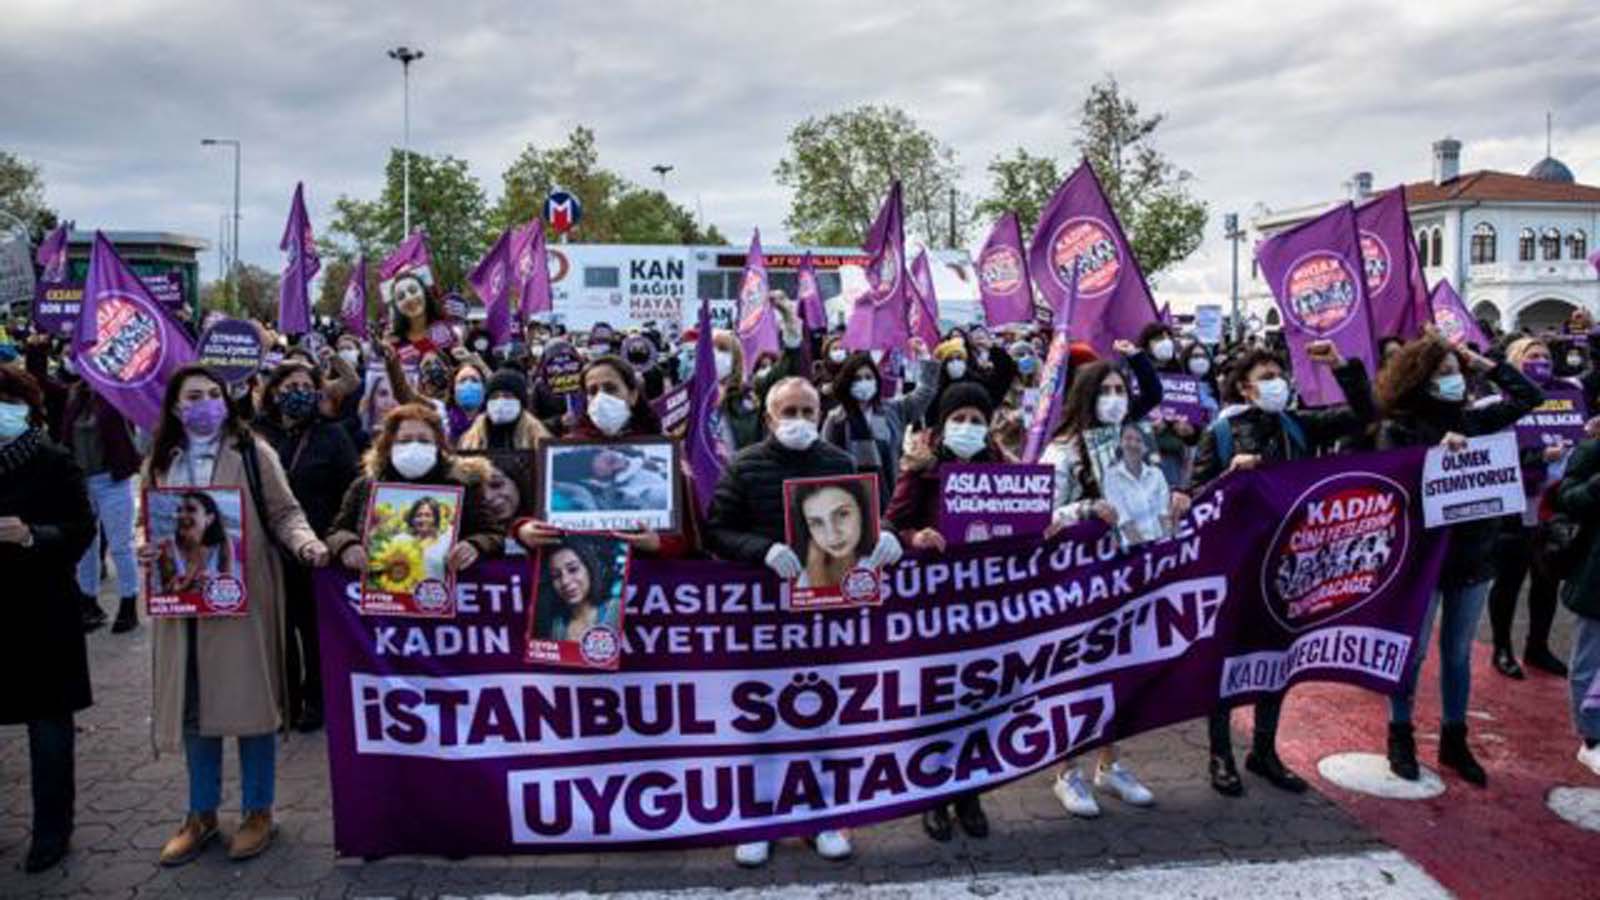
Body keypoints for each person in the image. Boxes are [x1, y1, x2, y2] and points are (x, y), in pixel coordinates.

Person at [705, 376, 902, 867]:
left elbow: (868, 523)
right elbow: (717, 531)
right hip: (763, 618)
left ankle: (824, 816)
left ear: (819, 415)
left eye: (806, 412)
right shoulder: (746, 466)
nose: (797, 421)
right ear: (770, 418)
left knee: (823, 719)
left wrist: (887, 538)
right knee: (763, 722)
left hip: (824, 619)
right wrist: (763, 550)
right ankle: (759, 820)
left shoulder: (839, 464)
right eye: (788, 412)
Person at [141, 364, 330, 866]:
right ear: (176, 407)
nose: (202, 403)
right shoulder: (162, 459)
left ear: (225, 400)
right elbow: (149, 522)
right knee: (194, 708)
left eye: (210, 394)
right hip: (182, 606)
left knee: (252, 705)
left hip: (241, 598)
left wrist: (307, 545)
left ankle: (257, 811)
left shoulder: (252, 451)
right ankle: (200, 814)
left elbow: (285, 512)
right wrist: (144, 548)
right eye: (191, 396)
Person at [1191, 340, 1375, 796]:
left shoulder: (1298, 424)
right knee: (1228, 661)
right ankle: (1220, 754)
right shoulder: (1221, 433)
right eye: (1266, 378)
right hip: (1236, 563)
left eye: (1279, 375)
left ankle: (1264, 751)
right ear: (1246, 390)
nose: (1277, 383)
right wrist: (1228, 475)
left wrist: (1340, 365)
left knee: (1278, 658)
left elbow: (1364, 414)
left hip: (1289, 560)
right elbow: (1194, 502)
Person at [1375, 336, 1542, 786]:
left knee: (1458, 652)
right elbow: (1394, 492)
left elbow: (1531, 397)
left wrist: (1485, 362)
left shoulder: (1477, 419)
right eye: (1444, 372)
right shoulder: (1400, 428)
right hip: (1422, 559)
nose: (1454, 379)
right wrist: (1434, 458)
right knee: (1413, 654)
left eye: (1457, 370)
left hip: (1472, 554)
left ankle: (1454, 738)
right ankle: (1400, 735)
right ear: (1421, 380)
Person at [1040, 340, 1176, 818]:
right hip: (1080, 581)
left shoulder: (1136, 442)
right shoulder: (1064, 451)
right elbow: (1043, 517)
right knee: (1077, 676)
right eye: (1107, 391)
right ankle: (1066, 770)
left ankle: (1110, 764)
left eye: (1122, 389)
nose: (1116, 398)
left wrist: (1172, 503)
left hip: (1131, 574)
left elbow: (1150, 502)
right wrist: (1085, 510)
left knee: (1119, 674)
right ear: (1086, 397)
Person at [885, 381, 1007, 841]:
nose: (968, 427)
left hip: (986, 608)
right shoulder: (922, 469)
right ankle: (933, 794)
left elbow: (1024, 528)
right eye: (959, 419)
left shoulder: (1004, 470)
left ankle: (969, 793)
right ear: (942, 424)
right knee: (937, 702)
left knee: (978, 701)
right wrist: (914, 538)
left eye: (977, 420)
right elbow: (889, 524)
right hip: (935, 607)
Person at [0, 368, 95, 873]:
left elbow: (82, 528)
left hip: (42, 612)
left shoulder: (51, 459)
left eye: (4, 401)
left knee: (49, 725)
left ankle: (52, 832)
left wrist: (33, 535)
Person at [255, 360, 360, 731]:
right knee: (278, 627)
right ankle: (286, 698)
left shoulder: (332, 436)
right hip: (268, 550)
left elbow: (353, 490)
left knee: (313, 629)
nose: (297, 393)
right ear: (273, 394)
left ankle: (318, 697)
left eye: (305, 386)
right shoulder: (259, 436)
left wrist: (340, 538)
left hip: (318, 549)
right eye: (289, 387)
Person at [514, 355, 690, 560]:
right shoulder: (565, 448)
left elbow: (690, 533)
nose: (600, 398)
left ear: (632, 395)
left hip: (649, 579)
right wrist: (523, 531)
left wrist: (660, 544)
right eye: (592, 391)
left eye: (610, 388)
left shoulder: (663, 448)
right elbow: (529, 515)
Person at [327, 403, 505, 587]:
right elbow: (336, 532)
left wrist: (474, 546)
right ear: (389, 446)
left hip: (444, 599)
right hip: (381, 604)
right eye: (404, 440)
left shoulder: (462, 486)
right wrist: (347, 545)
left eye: (424, 440)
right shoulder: (364, 487)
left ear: (438, 446)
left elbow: (494, 535)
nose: (414, 446)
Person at [1486, 338, 1576, 680]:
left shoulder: (1569, 398)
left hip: (1552, 505)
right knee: (1509, 581)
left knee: (1546, 580)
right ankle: (1502, 648)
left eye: (1544, 356)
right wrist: (1537, 458)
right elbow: (1489, 455)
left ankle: (1537, 646)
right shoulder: (1496, 403)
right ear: (1512, 363)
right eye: (1531, 356)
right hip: (1513, 505)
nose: (1540, 361)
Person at [54, 365, 144, 633]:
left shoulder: (118, 397)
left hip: (112, 481)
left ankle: (128, 604)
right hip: (80, 483)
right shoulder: (75, 396)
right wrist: (38, 350)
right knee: (86, 546)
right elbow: (45, 386)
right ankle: (88, 603)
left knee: (120, 546)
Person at [821, 341, 936, 509]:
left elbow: (925, 391)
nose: (864, 382)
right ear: (847, 382)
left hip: (890, 496)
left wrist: (924, 357)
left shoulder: (893, 410)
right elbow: (826, 463)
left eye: (868, 377)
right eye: (857, 378)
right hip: (851, 501)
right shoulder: (836, 419)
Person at [1554, 434, 1600, 777]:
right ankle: (1592, 740)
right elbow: (1567, 499)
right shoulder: (1592, 449)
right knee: (1589, 659)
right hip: (1596, 571)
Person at [789, 477, 874, 588]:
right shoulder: (805, 576)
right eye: (817, 523)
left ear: (862, 511)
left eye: (842, 514)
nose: (832, 536)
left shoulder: (880, 563)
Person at [534, 537, 622, 641]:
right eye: (556, 576)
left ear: (589, 569)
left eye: (573, 569)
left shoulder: (617, 610)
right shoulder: (556, 626)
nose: (565, 581)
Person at [155, 491, 235, 593]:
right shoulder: (166, 546)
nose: (181, 515)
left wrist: (213, 585)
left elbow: (230, 588)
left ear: (209, 518)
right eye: (179, 511)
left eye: (191, 509)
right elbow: (165, 593)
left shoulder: (222, 543)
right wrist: (187, 585)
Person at [459, 367, 552, 451]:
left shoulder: (536, 437)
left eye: (507, 396)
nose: (500, 400)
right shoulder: (471, 440)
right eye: (495, 397)